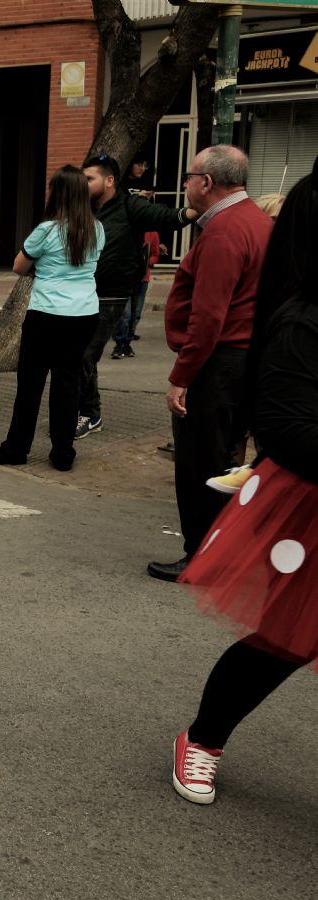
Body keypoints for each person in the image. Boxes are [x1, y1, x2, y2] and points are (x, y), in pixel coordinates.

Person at [169, 168, 317, 805]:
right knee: (285, 640)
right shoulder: (302, 321)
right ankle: (202, 739)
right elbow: (285, 427)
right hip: (309, 504)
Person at [148, 145, 273, 582]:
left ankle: (201, 555)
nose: (184, 183)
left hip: (219, 364)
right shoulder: (257, 221)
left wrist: (181, 377)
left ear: (206, 182)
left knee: (202, 462)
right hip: (242, 360)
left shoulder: (224, 231)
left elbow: (208, 317)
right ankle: (224, 550)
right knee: (225, 463)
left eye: (188, 175)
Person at [0, 165, 104, 472]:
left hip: (47, 315)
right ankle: (63, 453)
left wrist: (43, 267)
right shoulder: (97, 229)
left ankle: (16, 449)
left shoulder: (47, 230)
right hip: (85, 314)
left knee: (31, 385)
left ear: (58, 193)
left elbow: (19, 267)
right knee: (68, 384)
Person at [76, 153, 195, 440]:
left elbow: (168, 218)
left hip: (111, 297)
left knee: (84, 356)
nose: (83, 183)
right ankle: (87, 409)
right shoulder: (83, 208)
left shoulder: (131, 206)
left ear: (109, 180)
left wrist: (197, 210)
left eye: (89, 178)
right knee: (79, 356)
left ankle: (89, 413)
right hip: (79, 293)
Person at [111, 230, 158, 360]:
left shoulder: (152, 232)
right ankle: (119, 343)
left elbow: (155, 254)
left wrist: (147, 262)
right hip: (124, 279)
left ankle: (127, 343)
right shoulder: (124, 230)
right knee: (124, 314)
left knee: (136, 313)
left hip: (141, 279)